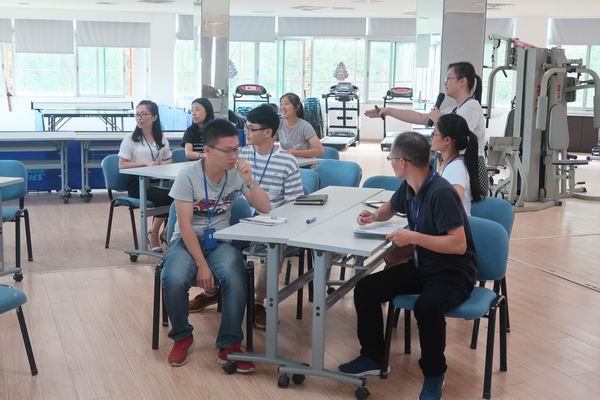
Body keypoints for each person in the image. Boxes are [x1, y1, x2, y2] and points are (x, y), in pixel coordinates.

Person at [338, 132, 477, 400]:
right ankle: (373, 357)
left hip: (453, 273)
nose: (390, 162)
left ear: (402, 162)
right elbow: (390, 208)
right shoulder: (410, 186)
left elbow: (458, 244)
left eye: (391, 158)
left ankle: (434, 376)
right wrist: (374, 216)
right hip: (423, 266)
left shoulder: (441, 193)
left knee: (427, 307)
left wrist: (412, 237)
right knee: (366, 288)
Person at [161, 119, 271, 370]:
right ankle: (182, 336)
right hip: (186, 241)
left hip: (220, 242)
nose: (234, 156)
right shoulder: (188, 176)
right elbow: (185, 226)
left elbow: (265, 207)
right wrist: (202, 265)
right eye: (227, 151)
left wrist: (250, 180)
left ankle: (229, 344)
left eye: (237, 149)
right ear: (208, 150)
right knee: (174, 277)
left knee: (237, 276)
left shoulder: (236, 174)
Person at [366, 61, 488, 195]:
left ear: (462, 81)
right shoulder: (454, 109)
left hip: (472, 170)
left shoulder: (472, 107)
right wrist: (387, 111)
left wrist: (439, 119)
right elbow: (421, 118)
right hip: (454, 166)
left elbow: (458, 134)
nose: (445, 83)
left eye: (449, 78)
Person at [241, 104, 304, 329]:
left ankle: (258, 303)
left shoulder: (287, 161)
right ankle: (218, 292)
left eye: (251, 128)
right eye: (246, 127)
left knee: (273, 248)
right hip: (241, 218)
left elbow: (293, 202)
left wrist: (275, 220)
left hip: (273, 220)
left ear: (268, 132)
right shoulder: (241, 155)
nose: (246, 132)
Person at [118, 100, 173, 252]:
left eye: (143, 114)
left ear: (154, 117)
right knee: (168, 197)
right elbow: (122, 165)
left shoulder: (161, 138)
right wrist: (145, 164)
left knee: (179, 193)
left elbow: (169, 159)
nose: (139, 118)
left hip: (158, 181)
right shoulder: (130, 139)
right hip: (138, 184)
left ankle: (165, 231)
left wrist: (160, 164)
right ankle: (153, 233)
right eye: (137, 114)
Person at [431, 113, 483, 215]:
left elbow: (453, 203)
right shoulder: (448, 164)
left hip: (454, 223)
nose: (431, 137)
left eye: (434, 134)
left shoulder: (456, 168)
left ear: (447, 140)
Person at [277, 92, 324, 158]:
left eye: (286, 104)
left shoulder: (305, 126)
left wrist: (295, 153)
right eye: (281, 104)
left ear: (296, 107)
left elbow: (319, 150)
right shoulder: (279, 123)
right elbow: (269, 142)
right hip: (287, 162)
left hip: (304, 163)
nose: (282, 107)